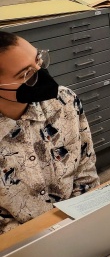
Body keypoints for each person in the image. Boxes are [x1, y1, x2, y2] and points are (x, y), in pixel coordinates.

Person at [0, 31, 99, 234]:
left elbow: (85, 172)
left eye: (39, 61)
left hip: (79, 224)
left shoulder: (64, 102)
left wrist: (82, 223)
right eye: (25, 74)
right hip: (19, 245)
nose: (40, 73)